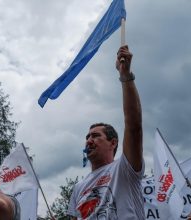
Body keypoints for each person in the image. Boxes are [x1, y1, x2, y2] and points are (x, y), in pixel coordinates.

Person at [67, 45, 145, 219]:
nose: (88, 140)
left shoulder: (124, 168)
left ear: (113, 142)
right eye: (87, 136)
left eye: (96, 136)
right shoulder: (79, 187)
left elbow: (134, 127)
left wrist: (125, 76)